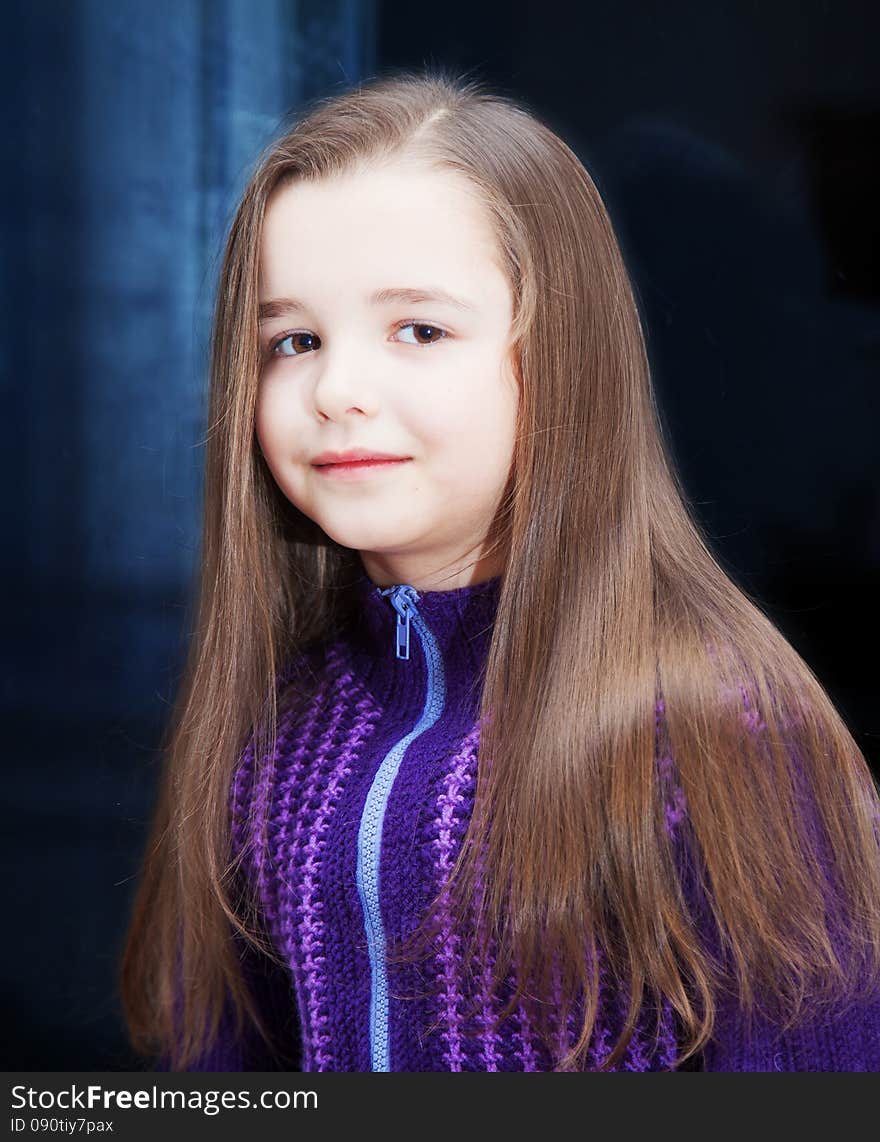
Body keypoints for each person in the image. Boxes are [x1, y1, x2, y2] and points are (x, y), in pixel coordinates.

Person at [120, 69, 880, 1072]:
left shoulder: (718, 727)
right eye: (293, 339)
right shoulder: (279, 718)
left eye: (420, 330)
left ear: (557, 353)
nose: (338, 388)